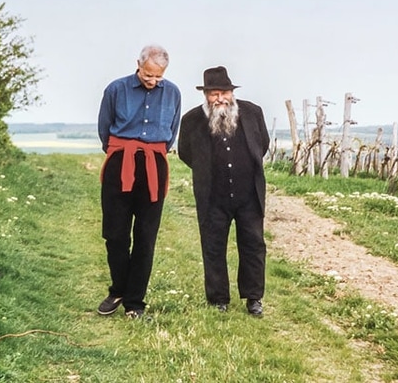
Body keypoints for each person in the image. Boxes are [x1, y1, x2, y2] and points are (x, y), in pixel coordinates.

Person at [96, 44, 182, 319]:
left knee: (146, 236)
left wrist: (153, 154)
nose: (153, 81)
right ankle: (118, 289)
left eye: (158, 76)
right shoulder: (115, 90)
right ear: (139, 65)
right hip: (121, 160)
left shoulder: (173, 93)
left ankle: (135, 303)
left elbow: (172, 131)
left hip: (154, 165)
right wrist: (121, 151)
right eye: (148, 75)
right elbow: (104, 129)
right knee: (115, 233)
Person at [178, 66, 269, 316]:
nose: (220, 99)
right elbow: (186, 153)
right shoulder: (191, 120)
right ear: (206, 96)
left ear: (232, 92)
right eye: (213, 94)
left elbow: (263, 144)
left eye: (224, 92)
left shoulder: (252, 113)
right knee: (213, 246)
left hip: (248, 193)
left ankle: (253, 298)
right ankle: (218, 298)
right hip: (212, 195)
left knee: (253, 245)